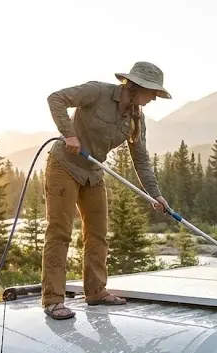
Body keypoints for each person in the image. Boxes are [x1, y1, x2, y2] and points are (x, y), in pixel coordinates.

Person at [41, 61, 171, 320]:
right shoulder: (97, 92)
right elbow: (56, 99)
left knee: (98, 233)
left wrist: (154, 194)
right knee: (60, 232)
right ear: (135, 86)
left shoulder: (136, 118)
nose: (154, 98)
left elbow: (140, 157)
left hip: (93, 172)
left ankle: (96, 291)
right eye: (152, 92)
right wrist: (69, 134)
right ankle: (53, 300)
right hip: (64, 166)